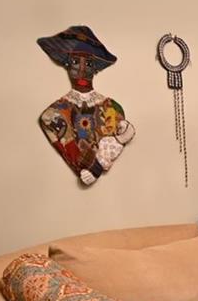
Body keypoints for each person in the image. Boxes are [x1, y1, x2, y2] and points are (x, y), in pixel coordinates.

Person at [37, 26, 135, 186]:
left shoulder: (112, 107)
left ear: (95, 68)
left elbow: (123, 134)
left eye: (88, 64)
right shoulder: (55, 112)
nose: (82, 69)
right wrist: (88, 166)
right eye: (76, 62)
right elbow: (53, 125)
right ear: (67, 64)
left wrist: (96, 168)